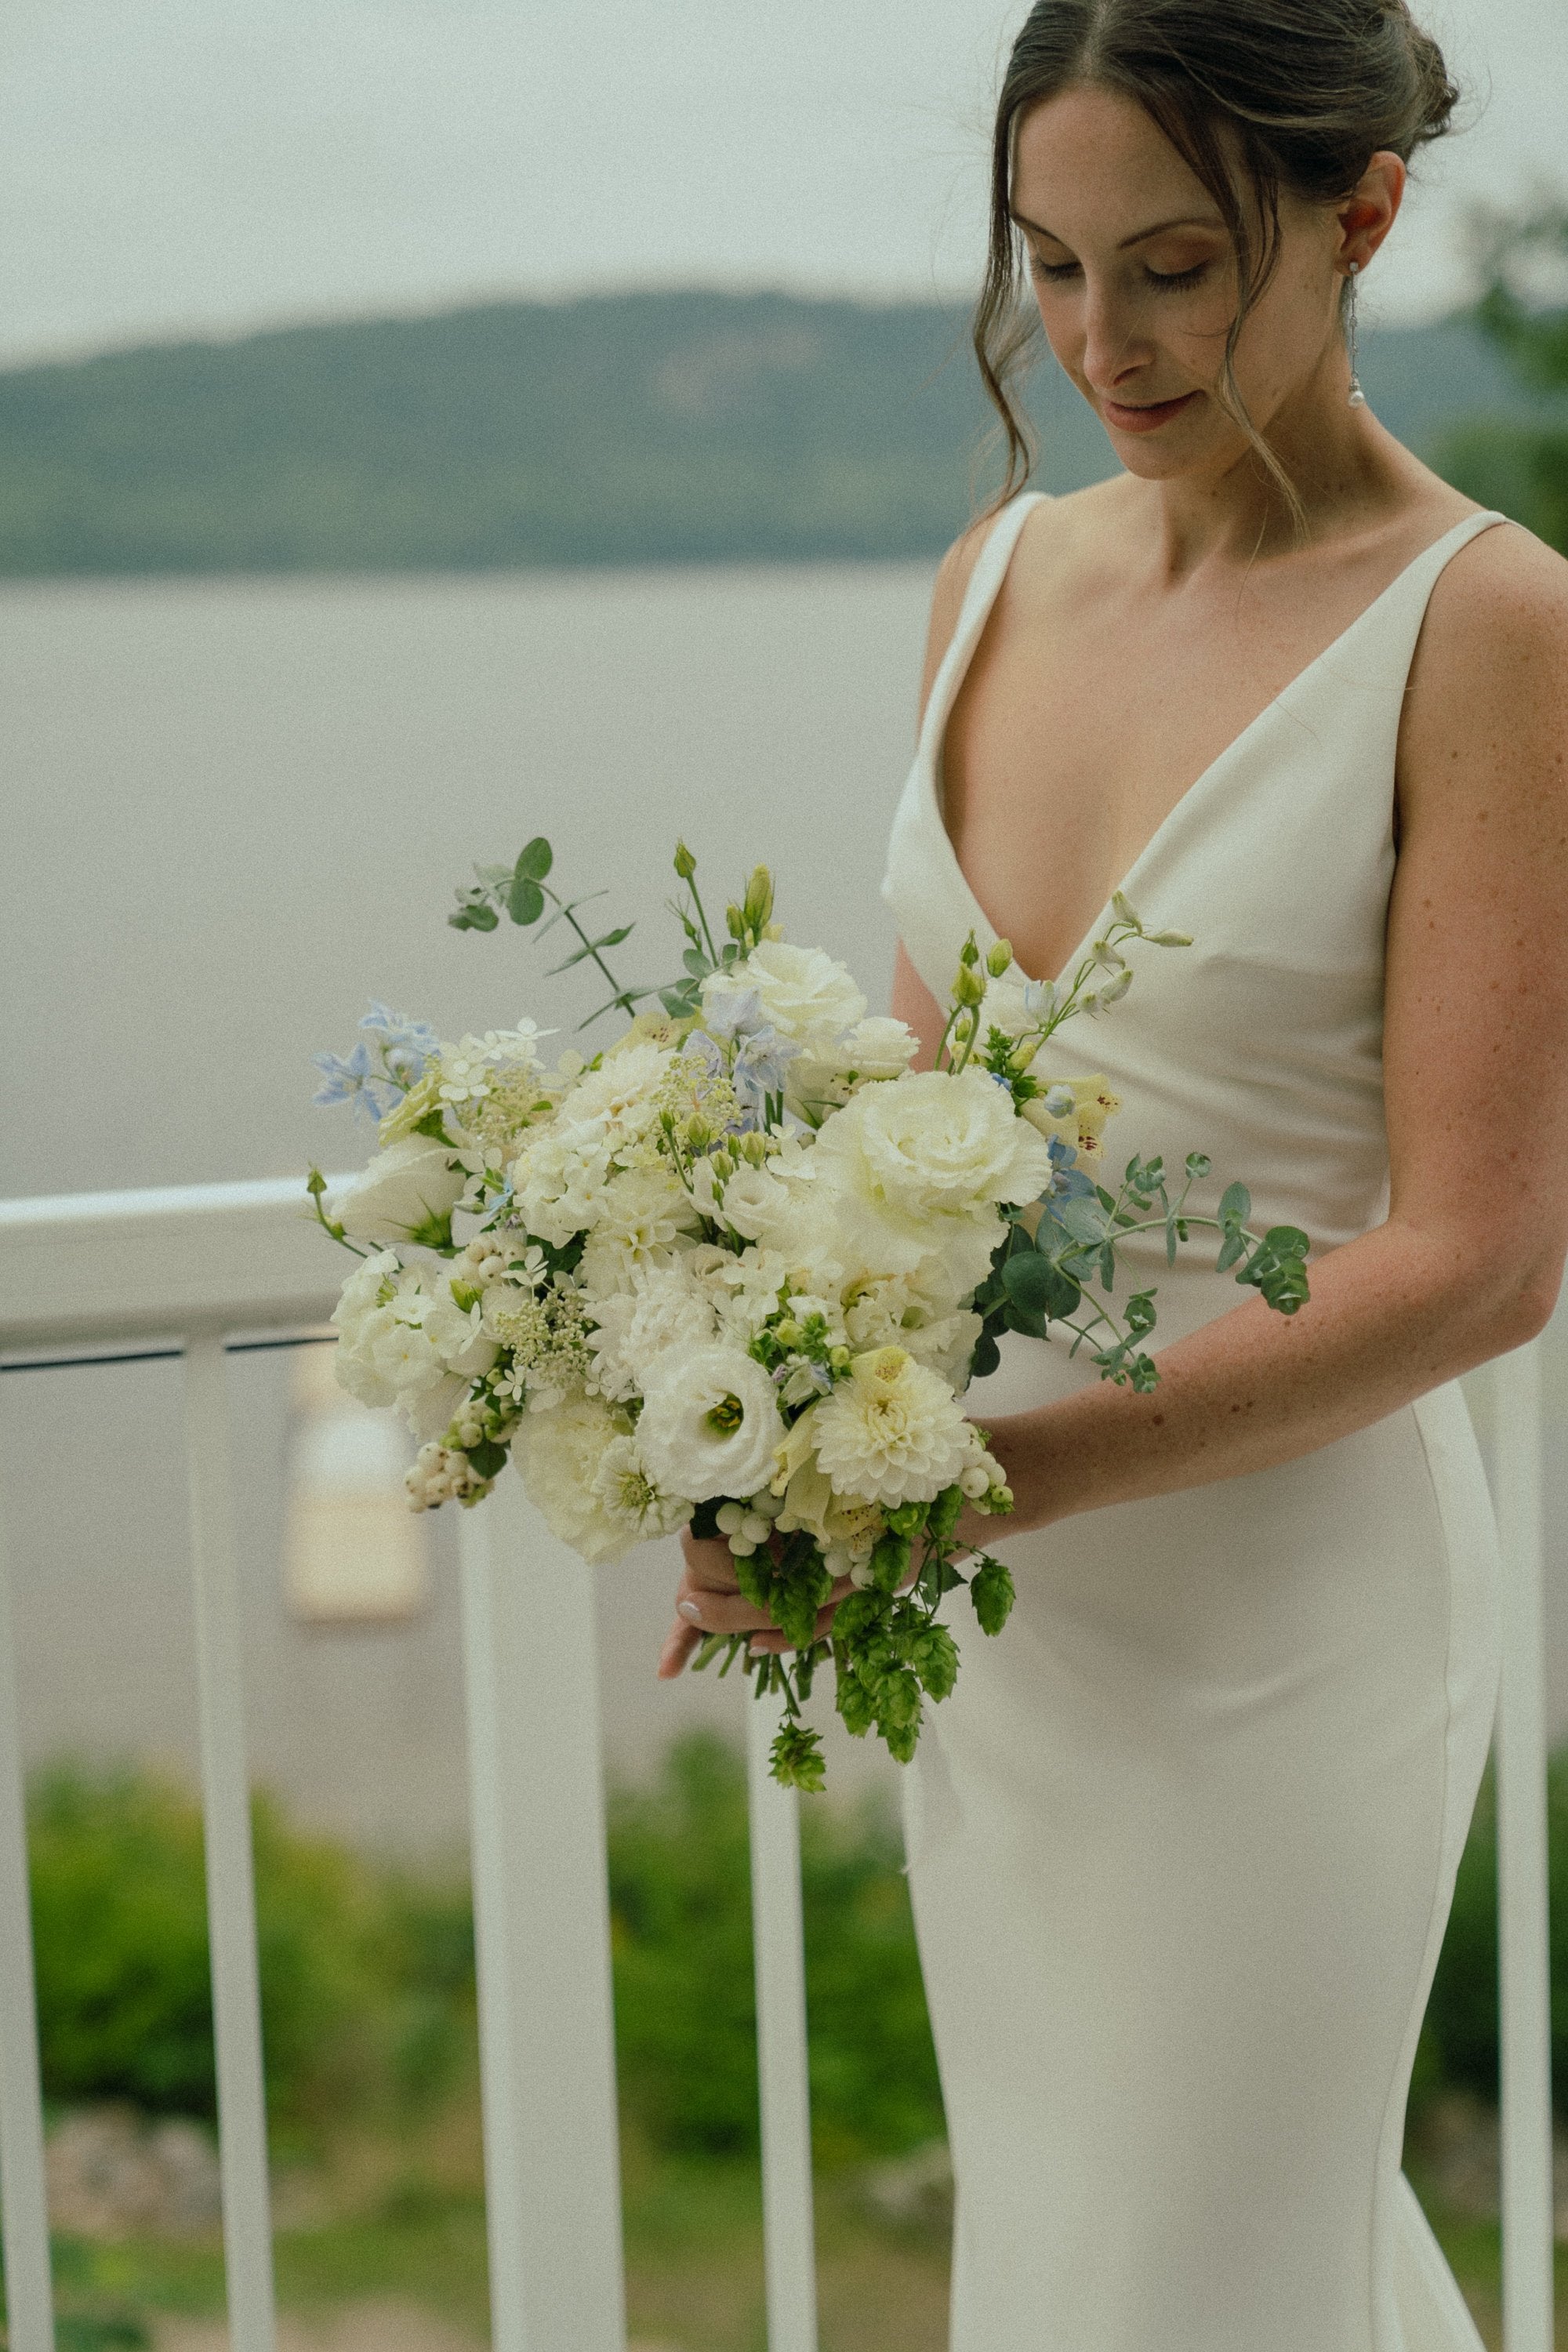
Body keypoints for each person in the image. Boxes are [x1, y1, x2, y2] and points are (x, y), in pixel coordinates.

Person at [660, 1, 1568, 2341]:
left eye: (1174, 263)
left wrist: (1008, 1483)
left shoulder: (1489, 627)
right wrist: (772, 1420)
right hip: (1006, 1630)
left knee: (1207, 2270)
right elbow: (931, 1151)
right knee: (1091, 2259)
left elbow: (1479, 1262)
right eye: (1052, 267)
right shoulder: (993, 581)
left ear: (1362, 213)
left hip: (1280, 1615)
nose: (1100, 341)